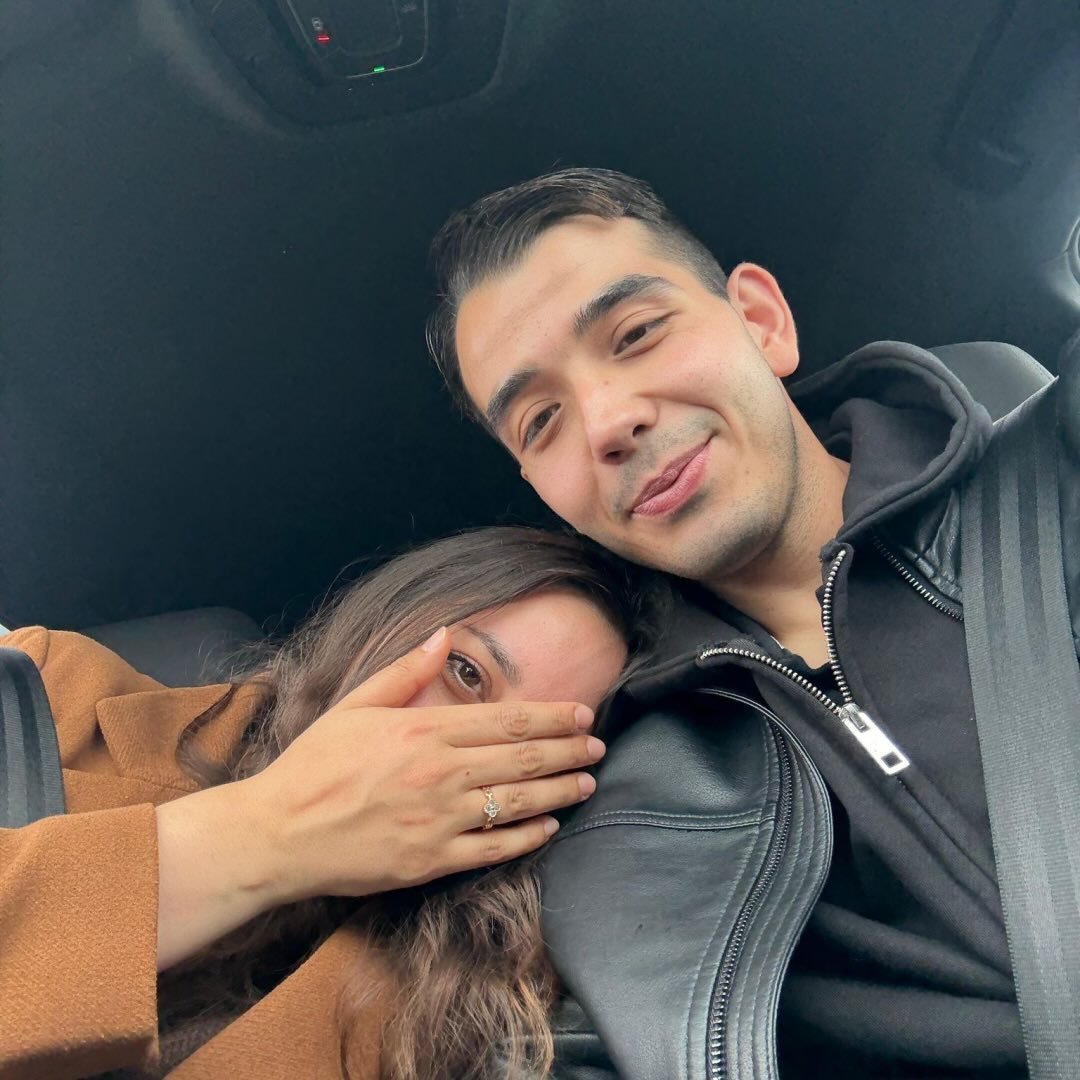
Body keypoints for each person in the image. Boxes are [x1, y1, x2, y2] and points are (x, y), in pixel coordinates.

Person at [426, 168, 1080, 1078]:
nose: (608, 422)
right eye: (541, 421)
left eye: (637, 334)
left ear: (762, 321)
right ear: (541, 488)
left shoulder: (1060, 473)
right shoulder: (623, 811)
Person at [0, 526, 664, 1080]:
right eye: (466, 673)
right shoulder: (47, 693)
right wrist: (267, 832)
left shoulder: (452, 1020)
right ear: (390, 614)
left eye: (531, 752)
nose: (455, 757)